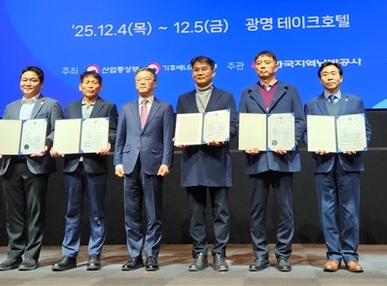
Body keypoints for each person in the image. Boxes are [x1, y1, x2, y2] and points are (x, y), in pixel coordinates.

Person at [0, 66, 63, 271]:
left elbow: (57, 130)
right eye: (24, 80)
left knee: (35, 213)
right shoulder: (11, 107)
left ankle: (31, 256)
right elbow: (5, 132)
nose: (27, 83)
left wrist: (46, 144)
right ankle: (13, 255)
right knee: (14, 214)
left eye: (32, 80)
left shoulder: (51, 104)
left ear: (41, 83)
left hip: (36, 165)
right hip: (11, 164)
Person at [238, 50, 306, 272]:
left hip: (283, 159)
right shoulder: (247, 93)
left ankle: (283, 255)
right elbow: (242, 123)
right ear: (254, 67)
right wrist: (247, 143)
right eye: (259, 63)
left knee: (285, 210)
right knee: (257, 211)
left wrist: (291, 141)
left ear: (276, 66)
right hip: (257, 159)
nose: (263, 66)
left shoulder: (290, 90)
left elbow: (299, 121)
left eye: (267, 62)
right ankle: (260, 256)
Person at [303, 61, 371, 273]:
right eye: (325, 74)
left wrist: (356, 145)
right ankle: (333, 255)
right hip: (323, 163)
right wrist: (314, 144)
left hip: (349, 163)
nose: (329, 77)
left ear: (341, 78)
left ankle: (350, 255)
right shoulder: (312, 104)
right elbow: (306, 133)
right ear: (320, 79)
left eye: (333, 73)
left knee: (350, 210)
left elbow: (366, 131)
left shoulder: (355, 101)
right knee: (327, 211)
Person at [50, 70, 118, 271]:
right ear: (80, 86)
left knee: (96, 212)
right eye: (87, 82)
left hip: (95, 165)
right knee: (72, 211)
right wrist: (56, 145)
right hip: (72, 165)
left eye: (94, 82)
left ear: (100, 87)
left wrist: (108, 141)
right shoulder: (70, 107)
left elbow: (114, 130)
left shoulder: (108, 106)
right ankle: (69, 255)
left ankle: (94, 255)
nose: (90, 86)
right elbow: (63, 131)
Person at [175, 56, 238, 272]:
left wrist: (223, 137)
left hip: (217, 159)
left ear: (213, 72)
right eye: (196, 69)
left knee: (221, 212)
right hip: (193, 162)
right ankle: (199, 254)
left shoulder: (226, 96)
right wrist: (179, 138)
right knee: (196, 213)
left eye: (204, 69)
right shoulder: (183, 99)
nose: (200, 73)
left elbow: (233, 125)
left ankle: (219, 254)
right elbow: (180, 126)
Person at [113, 67, 175, 272]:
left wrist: (166, 162)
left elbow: (167, 138)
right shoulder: (126, 108)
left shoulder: (164, 107)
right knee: (131, 213)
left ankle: (151, 255)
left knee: (153, 213)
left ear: (154, 83)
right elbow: (120, 137)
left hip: (153, 164)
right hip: (129, 164)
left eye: (146, 79)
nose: (142, 82)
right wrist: (118, 162)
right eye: (138, 79)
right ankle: (134, 255)